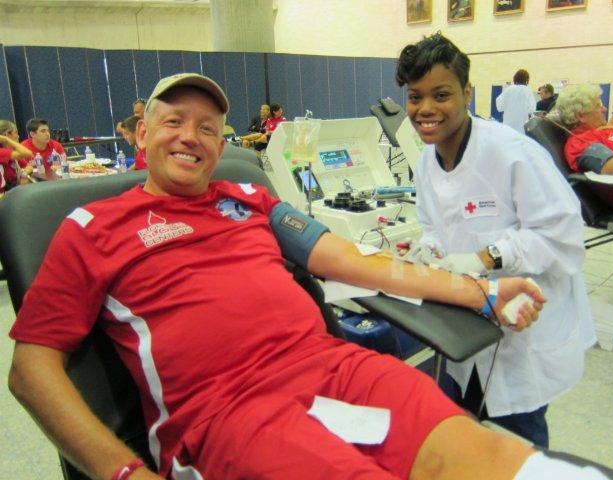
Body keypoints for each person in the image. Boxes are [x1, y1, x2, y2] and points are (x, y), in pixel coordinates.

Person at [8, 73, 555, 480]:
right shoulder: (92, 228)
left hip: (336, 370)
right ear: (142, 133)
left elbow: (353, 260)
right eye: (174, 122)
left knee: (488, 455)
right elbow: (31, 370)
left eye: (207, 128)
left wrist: (479, 291)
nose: (190, 137)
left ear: (221, 146)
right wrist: (124, 473)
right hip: (229, 413)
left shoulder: (250, 199)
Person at [396, 33, 595, 448]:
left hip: (524, 326)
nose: (426, 109)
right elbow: (433, 225)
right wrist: (430, 251)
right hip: (466, 323)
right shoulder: (426, 161)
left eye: (441, 95)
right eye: (415, 97)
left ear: (467, 93)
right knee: (466, 428)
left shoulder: (513, 153)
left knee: (519, 443)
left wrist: (485, 257)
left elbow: (562, 235)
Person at [555, 83, 613, 292]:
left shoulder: (609, 131)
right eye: (598, 105)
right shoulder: (582, 143)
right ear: (581, 116)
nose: (604, 109)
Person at [496, 69, 536, 134]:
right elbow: (532, 110)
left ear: (515, 78)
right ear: (527, 80)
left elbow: (499, 107)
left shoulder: (508, 89)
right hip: (522, 129)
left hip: (508, 128)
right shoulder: (528, 91)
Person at [0, 119, 33, 197]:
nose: (18, 136)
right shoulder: (1, 152)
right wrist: (7, 140)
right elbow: (27, 153)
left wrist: (23, 175)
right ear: (6, 134)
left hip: (10, 190)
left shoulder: (10, 151)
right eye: (16, 133)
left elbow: (29, 166)